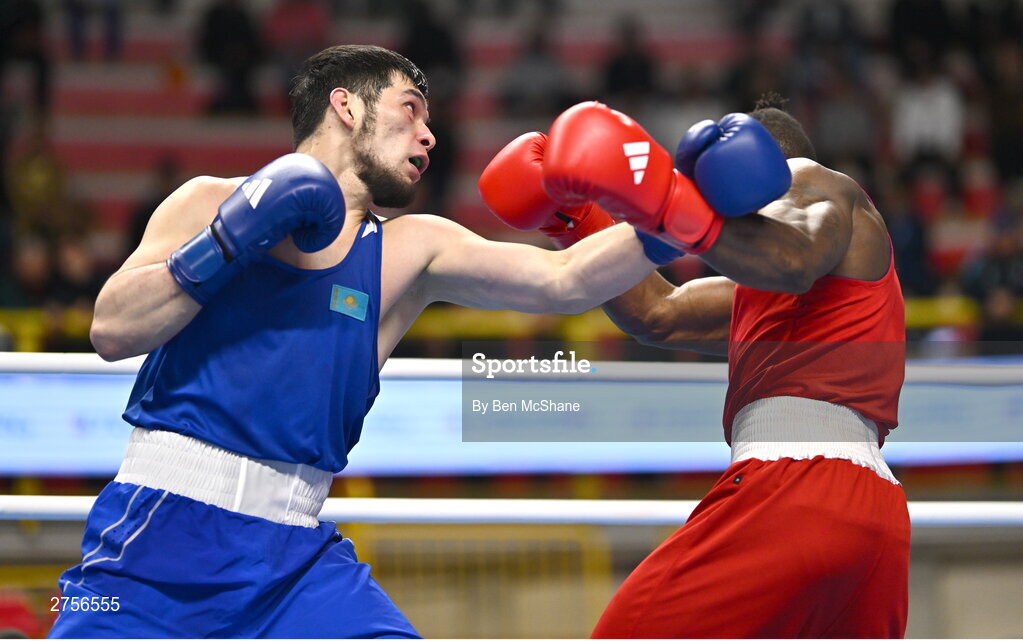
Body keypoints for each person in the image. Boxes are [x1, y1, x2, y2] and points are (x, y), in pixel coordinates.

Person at [48, 45, 787, 639]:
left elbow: (562, 281)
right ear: (346, 105)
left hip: (293, 560)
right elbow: (111, 328)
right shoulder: (207, 199)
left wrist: (681, 210)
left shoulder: (409, 249)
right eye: (410, 109)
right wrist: (228, 239)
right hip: (159, 535)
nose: (430, 134)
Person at [495, 94, 909, 637]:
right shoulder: (764, 296)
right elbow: (657, 313)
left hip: (796, 488)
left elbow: (794, 256)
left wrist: (671, 203)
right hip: (874, 517)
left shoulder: (812, 180)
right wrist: (575, 220)